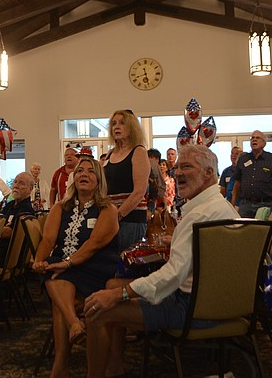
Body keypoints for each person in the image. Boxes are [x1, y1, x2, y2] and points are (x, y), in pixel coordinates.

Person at [83, 145, 238, 378]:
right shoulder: (218, 206)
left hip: (195, 308)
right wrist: (177, 240)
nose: (177, 173)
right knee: (112, 286)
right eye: (177, 168)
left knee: (97, 309)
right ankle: (114, 367)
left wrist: (119, 295)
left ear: (208, 173)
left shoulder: (199, 215)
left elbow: (173, 275)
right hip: (220, 300)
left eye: (186, 167)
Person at [32, 156, 119, 378]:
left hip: (95, 266)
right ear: (73, 177)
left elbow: (94, 245)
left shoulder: (107, 209)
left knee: (58, 291)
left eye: (91, 172)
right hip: (64, 269)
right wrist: (39, 261)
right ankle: (74, 325)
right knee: (56, 276)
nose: (84, 175)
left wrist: (67, 263)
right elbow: (48, 240)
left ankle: (61, 364)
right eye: (80, 171)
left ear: (99, 180)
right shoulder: (61, 207)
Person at [104, 110, 150, 251]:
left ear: (132, 127)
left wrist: (117, 215)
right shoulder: (110, 154)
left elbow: (139, 191)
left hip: (131, 219)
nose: (116, 127)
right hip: (111, 217)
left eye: (122, 123)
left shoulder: (138, 152)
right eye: (114, 123)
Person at [231, 130, 272, 218]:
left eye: (257, 138)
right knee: (243, 231)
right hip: (245, 205)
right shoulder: (243, 159)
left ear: (264, 143)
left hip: (265, 204)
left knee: (265, 231)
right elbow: (237, 184)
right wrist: (232, 205)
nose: (254, 140)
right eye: (252, 138)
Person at [0, 172, 36, 239]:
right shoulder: (10, 205)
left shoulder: (26, 211)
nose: (16, 186)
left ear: (30, 189)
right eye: (15, 182)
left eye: (21, 183)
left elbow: (11, 233)